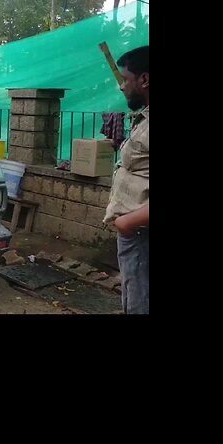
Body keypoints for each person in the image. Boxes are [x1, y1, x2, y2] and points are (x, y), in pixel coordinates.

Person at [102, 45, 148, 314]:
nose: (122, 87)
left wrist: (127, 223)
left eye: (125, 79)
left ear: (144, 79)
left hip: (141, 233)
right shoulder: (143, 118)